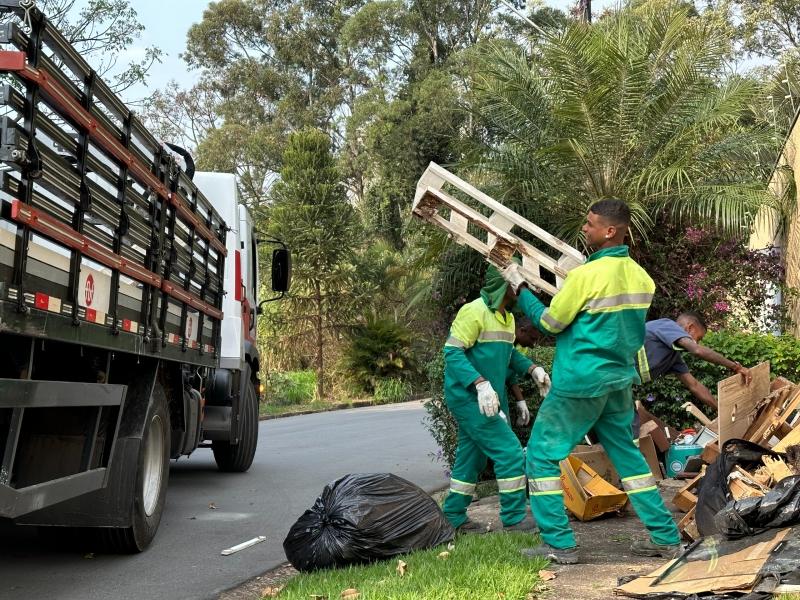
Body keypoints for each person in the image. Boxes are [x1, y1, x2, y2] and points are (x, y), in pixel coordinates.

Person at [501, 198, 681, 564]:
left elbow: (551, 323)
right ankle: (666, 538)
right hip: (617, 382)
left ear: (610, 230)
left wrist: (521, 289)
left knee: (540, 456)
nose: (585, 228)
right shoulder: (641, 278)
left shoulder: (585, 277)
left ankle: (561, 545)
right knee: (629, 459)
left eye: (590, 223)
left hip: (580, 382)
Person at [442, 265, 551, 534]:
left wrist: (532, 368)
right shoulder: (473, 311)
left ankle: (453, 516)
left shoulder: (508, 319)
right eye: (517, 284)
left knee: (471, 458)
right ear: (505, 287)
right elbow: (452, 352)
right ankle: (514, 519)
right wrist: (479, 384)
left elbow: (508, 355)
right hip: (468, 397)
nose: (522, 289)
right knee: (510, 453)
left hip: (485, 398)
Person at [636, 312, 752, 412]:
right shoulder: (667, 324)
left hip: (621, 384)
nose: (697, 342)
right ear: (690, 328)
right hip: (618, 371)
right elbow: (697, 350)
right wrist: (735, 367)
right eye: (699, 338)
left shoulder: (673, 358)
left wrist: (722, 411)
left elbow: (695, 386)